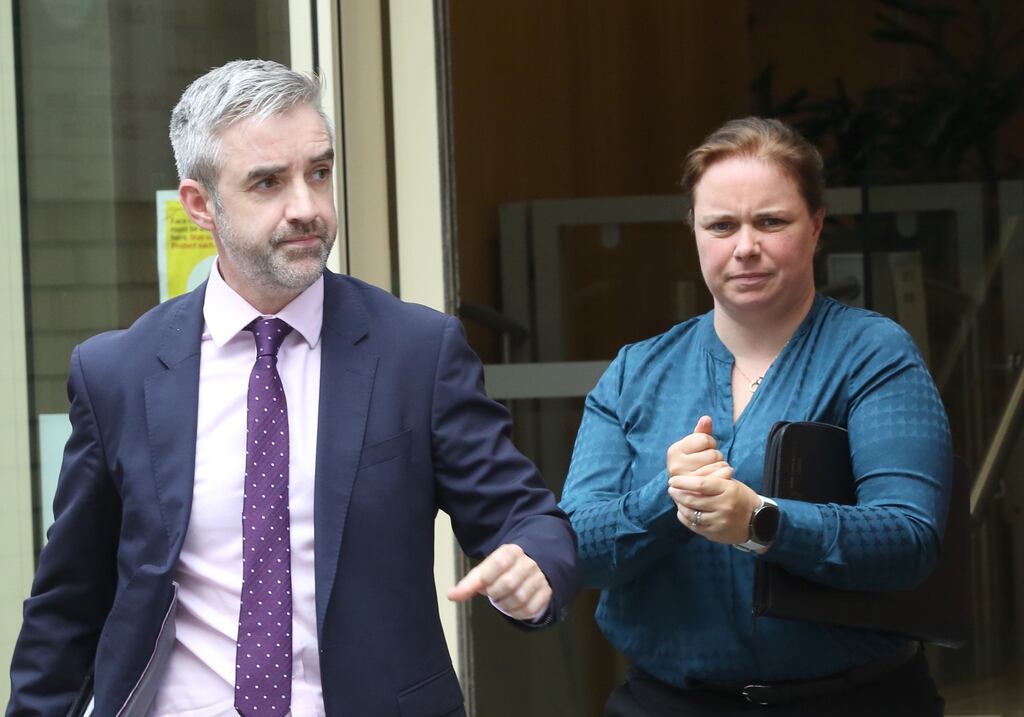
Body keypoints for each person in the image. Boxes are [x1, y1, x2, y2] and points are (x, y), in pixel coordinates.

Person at [7, 59, 578, 717]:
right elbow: (67, 603)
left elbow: (525, 516)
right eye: (267, 183)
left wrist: (534, 565)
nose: (305, 207)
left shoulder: (415, 353)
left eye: (319, 172)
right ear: (200, 205)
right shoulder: (118, 373)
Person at [559, 117, 952, 716]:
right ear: (694, 233)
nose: (745, 246)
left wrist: (761, 521)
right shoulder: (637, 372)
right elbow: (576, 545)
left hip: (852, 700)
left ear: (816, 226)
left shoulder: (872, 353)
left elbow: (908, 538)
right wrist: (670, 498)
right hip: (669, 703)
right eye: (721, 225)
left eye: (771, 221)